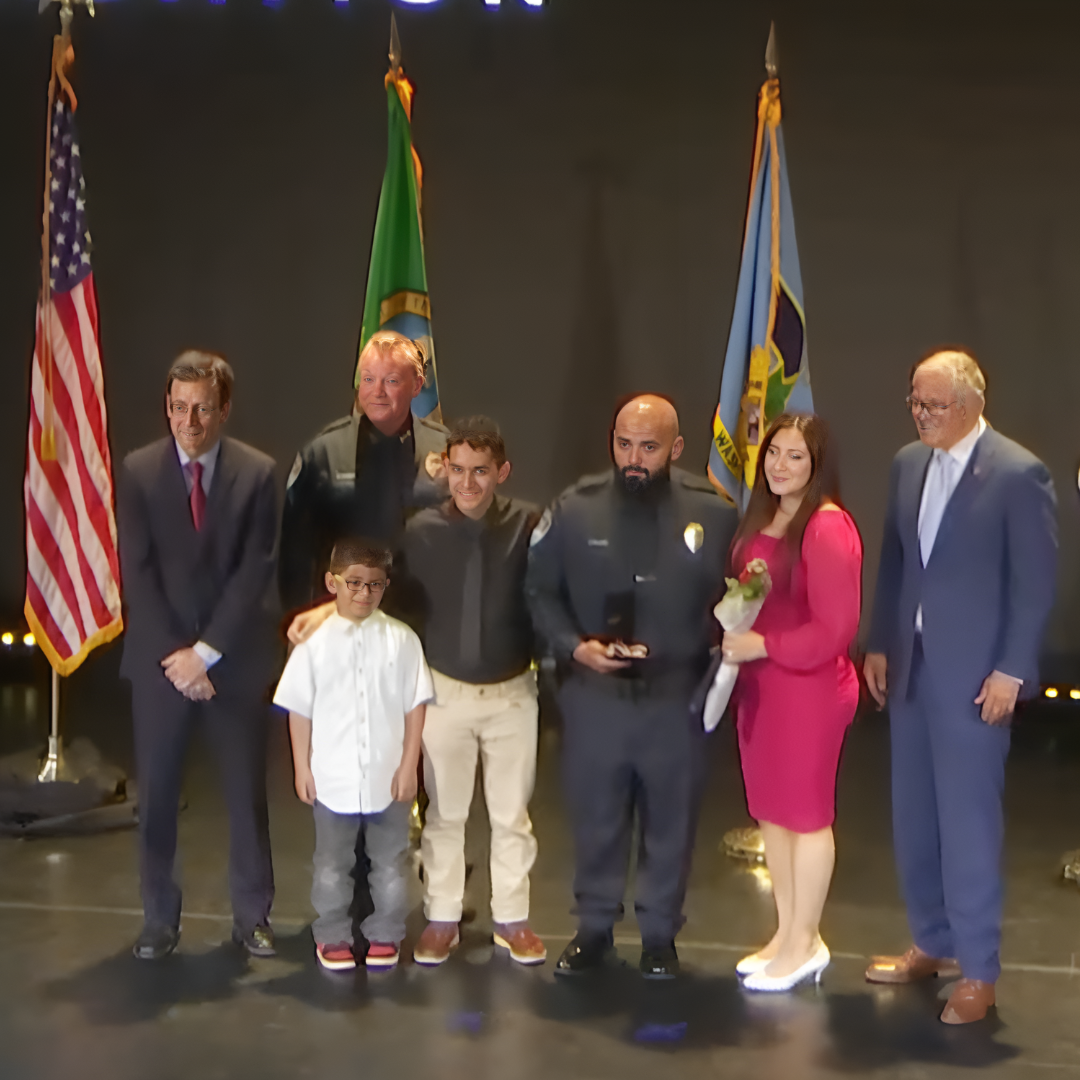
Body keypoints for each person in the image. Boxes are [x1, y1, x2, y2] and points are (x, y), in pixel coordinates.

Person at [863, 348, 1057, 1024]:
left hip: (977, 678)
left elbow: (1034, 585)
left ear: (971, 406)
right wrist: (881, 645)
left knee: (969, 823)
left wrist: (1012, 669)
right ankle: (932, 943)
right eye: (915, 401)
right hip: (912, 666)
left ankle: (979, 970)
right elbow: (895, 560)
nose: (920, 414)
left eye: (933, 405)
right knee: (914, 814)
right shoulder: (906, 464)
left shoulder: (1016, 472)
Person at [526, 393, 737, 979]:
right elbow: (540, 591)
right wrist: (573, 646)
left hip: (675, 698)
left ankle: (659, 938)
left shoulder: (714, 513)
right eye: (624, 444)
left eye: (648, 446)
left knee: (671, 822)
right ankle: (593, 930)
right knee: (597, 819)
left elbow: (737, 598)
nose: (634, 458)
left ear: (676, 448)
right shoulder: (575, 507)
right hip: (597, 699)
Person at [117, 350, 278, 961]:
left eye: (202, 409)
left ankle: (252, 917)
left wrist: (206, 654)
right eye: (179, 408)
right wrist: (177, 659)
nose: (189, 421)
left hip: (230, 663)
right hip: (161, 667)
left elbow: (253, 570)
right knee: (156, 796)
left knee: (245, 795)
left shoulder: (258, 474)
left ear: (224, 410)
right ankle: (159, 918)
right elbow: (139, 571)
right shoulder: (136, 471)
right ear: (168, 407)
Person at [719, 413, 862, 992]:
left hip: (808, 690)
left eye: (795, 456)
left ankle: (806, 942)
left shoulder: (828, 527)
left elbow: (835, 630)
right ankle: (788, 931)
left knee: (806, 818)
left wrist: (761, 643)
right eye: (773, 452)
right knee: (773, 816)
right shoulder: (764, 516)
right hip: (763, 687)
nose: (780, 464)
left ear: (817, 464)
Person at [404, 423, 545, 967]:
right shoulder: (419, 531)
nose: (468, 482)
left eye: (480, 471)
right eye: (457, 469)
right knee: (444, 813)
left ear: (501, 473)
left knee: (512, 814)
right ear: (444, 467)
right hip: (444, 693)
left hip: (512, 692)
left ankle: (512, 918)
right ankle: (442, 917)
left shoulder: (529, 524)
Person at [273, 539, 433, 972]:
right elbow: (298, 711)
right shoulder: (313, 644)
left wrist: (408, 766)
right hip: (332, 777)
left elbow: (414, 708)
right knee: (330, 864)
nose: (364, 594)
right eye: (354, 584)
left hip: (388, 778)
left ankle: (386, 933)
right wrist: (302, 767)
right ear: (332, 582)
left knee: (390, 864)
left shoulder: (402, 640)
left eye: (375, 585)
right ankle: (332, 934)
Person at [279, 330, 448, 618]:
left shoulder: (447, 450)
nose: (377, 391)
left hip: (424, 621)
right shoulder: (323, 452)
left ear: (417, 385)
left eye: (391, 381)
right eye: (368, 379)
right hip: (341, 618)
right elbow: (294, 555)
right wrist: (303, 621)